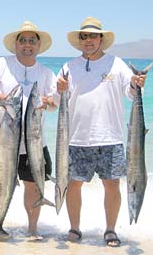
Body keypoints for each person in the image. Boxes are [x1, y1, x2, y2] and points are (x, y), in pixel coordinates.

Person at [55, 17, 146, 247]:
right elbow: (57, 100)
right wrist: (59, 89)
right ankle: (75, 229)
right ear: (80, 40)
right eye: (84, 36)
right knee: (74, 184)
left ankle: (110, 230)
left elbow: (130, 91)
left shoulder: (117, 64)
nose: (89, 40)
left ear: (101, 39)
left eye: (93, 36)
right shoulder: (69, 67)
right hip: (77, 138)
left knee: (112, 184)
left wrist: (136, 82)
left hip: (111, 137)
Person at [0, 21, 57, 239]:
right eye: (23, 40)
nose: (27, 45)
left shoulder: (46, 73)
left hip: (34, 143)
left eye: (32, 41)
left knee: (32, 186)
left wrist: (46, 102)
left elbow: (54, 104)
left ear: (38, 45)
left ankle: (32, 229)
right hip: (0, 140)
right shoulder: (0, 64)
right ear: (16, 43)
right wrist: (3, 99)